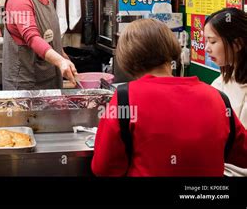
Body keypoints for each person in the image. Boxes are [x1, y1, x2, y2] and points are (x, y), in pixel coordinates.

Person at [92, 19, 247, 176]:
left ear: (127, 58)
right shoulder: (218, 97)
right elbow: (242, 155)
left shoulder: (125, 98)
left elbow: (103, 168)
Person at [205, 7, 247, 128]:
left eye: (213, 42)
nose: (207, 48)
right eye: (206, 41)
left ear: (237, 44)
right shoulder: (222, 80)